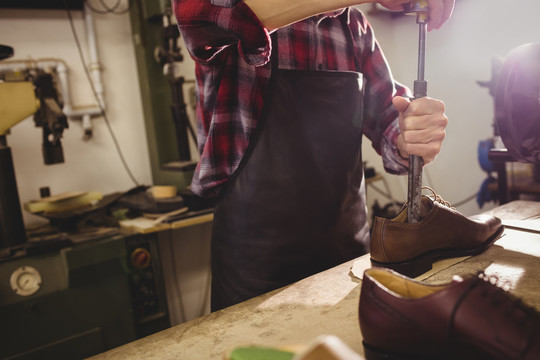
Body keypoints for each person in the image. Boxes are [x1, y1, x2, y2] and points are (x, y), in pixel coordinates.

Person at [172, 0, 454, 311]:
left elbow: (389, 120)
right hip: (254, 268)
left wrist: (412, 135)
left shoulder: (352, 27)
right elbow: (195, 10)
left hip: (347, 256)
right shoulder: (243, 9)